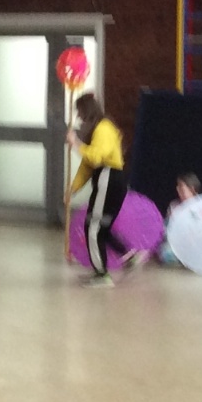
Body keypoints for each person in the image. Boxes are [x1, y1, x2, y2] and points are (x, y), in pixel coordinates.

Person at [68, 94, 141, 288]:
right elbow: (87, 165)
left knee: (94, 226)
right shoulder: (97, 130)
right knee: (101, 226)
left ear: (87, 110)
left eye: (80, 112)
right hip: (107, 179)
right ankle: (127, 256)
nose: (79, 117)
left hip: (108, 179)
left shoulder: (104, 128)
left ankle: (102, 275)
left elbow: (96, 157)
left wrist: (76, 144)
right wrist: (73, 188)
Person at [158, 174, 200, 266]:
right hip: (178, 240)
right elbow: (167, 227)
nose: (178, 189)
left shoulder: (200, 206)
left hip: (195, 241)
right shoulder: (174, 205)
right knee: (164, 254)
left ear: (192, 189)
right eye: (177, 186)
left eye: (181, 186)